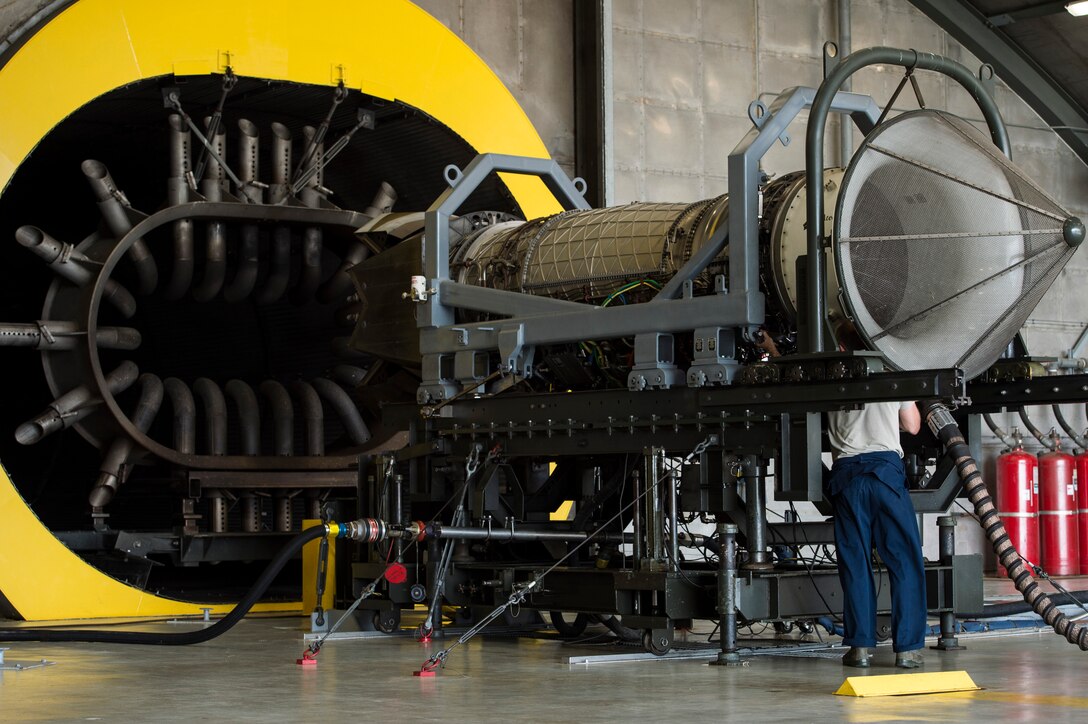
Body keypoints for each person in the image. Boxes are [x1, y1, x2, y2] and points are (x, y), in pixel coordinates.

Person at [827, 400, 927, 669]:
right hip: (884, 472)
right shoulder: (892, 374)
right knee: (904, 561)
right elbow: (913, 426)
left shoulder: (831, 377)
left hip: (846, 476)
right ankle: (907, 649)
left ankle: (859, 647)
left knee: (855, 563)